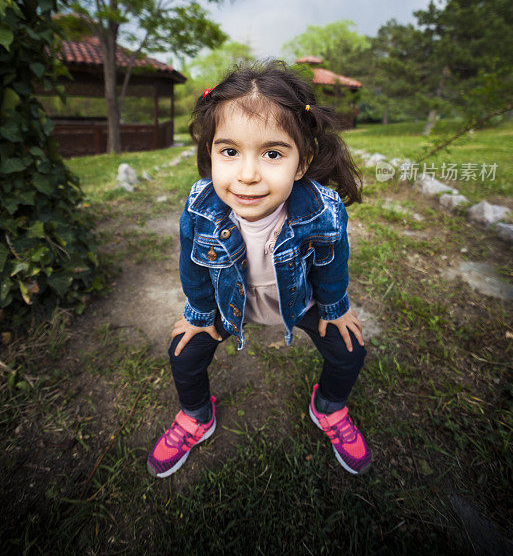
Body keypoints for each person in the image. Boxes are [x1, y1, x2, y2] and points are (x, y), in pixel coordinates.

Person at [147, 60, 371, 479]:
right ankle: (196, 414)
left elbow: (333, 259)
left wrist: (335, 307)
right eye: (229, 152)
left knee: (350, 351)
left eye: (272, 153)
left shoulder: (322, 210)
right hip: (226, 299)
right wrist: (198, 315)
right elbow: (192, 264)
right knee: (183, 354)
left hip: (297, 297)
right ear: (211, 153)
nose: (247, 175)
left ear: (301, 164)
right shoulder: (200, 207)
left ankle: (329, 406)